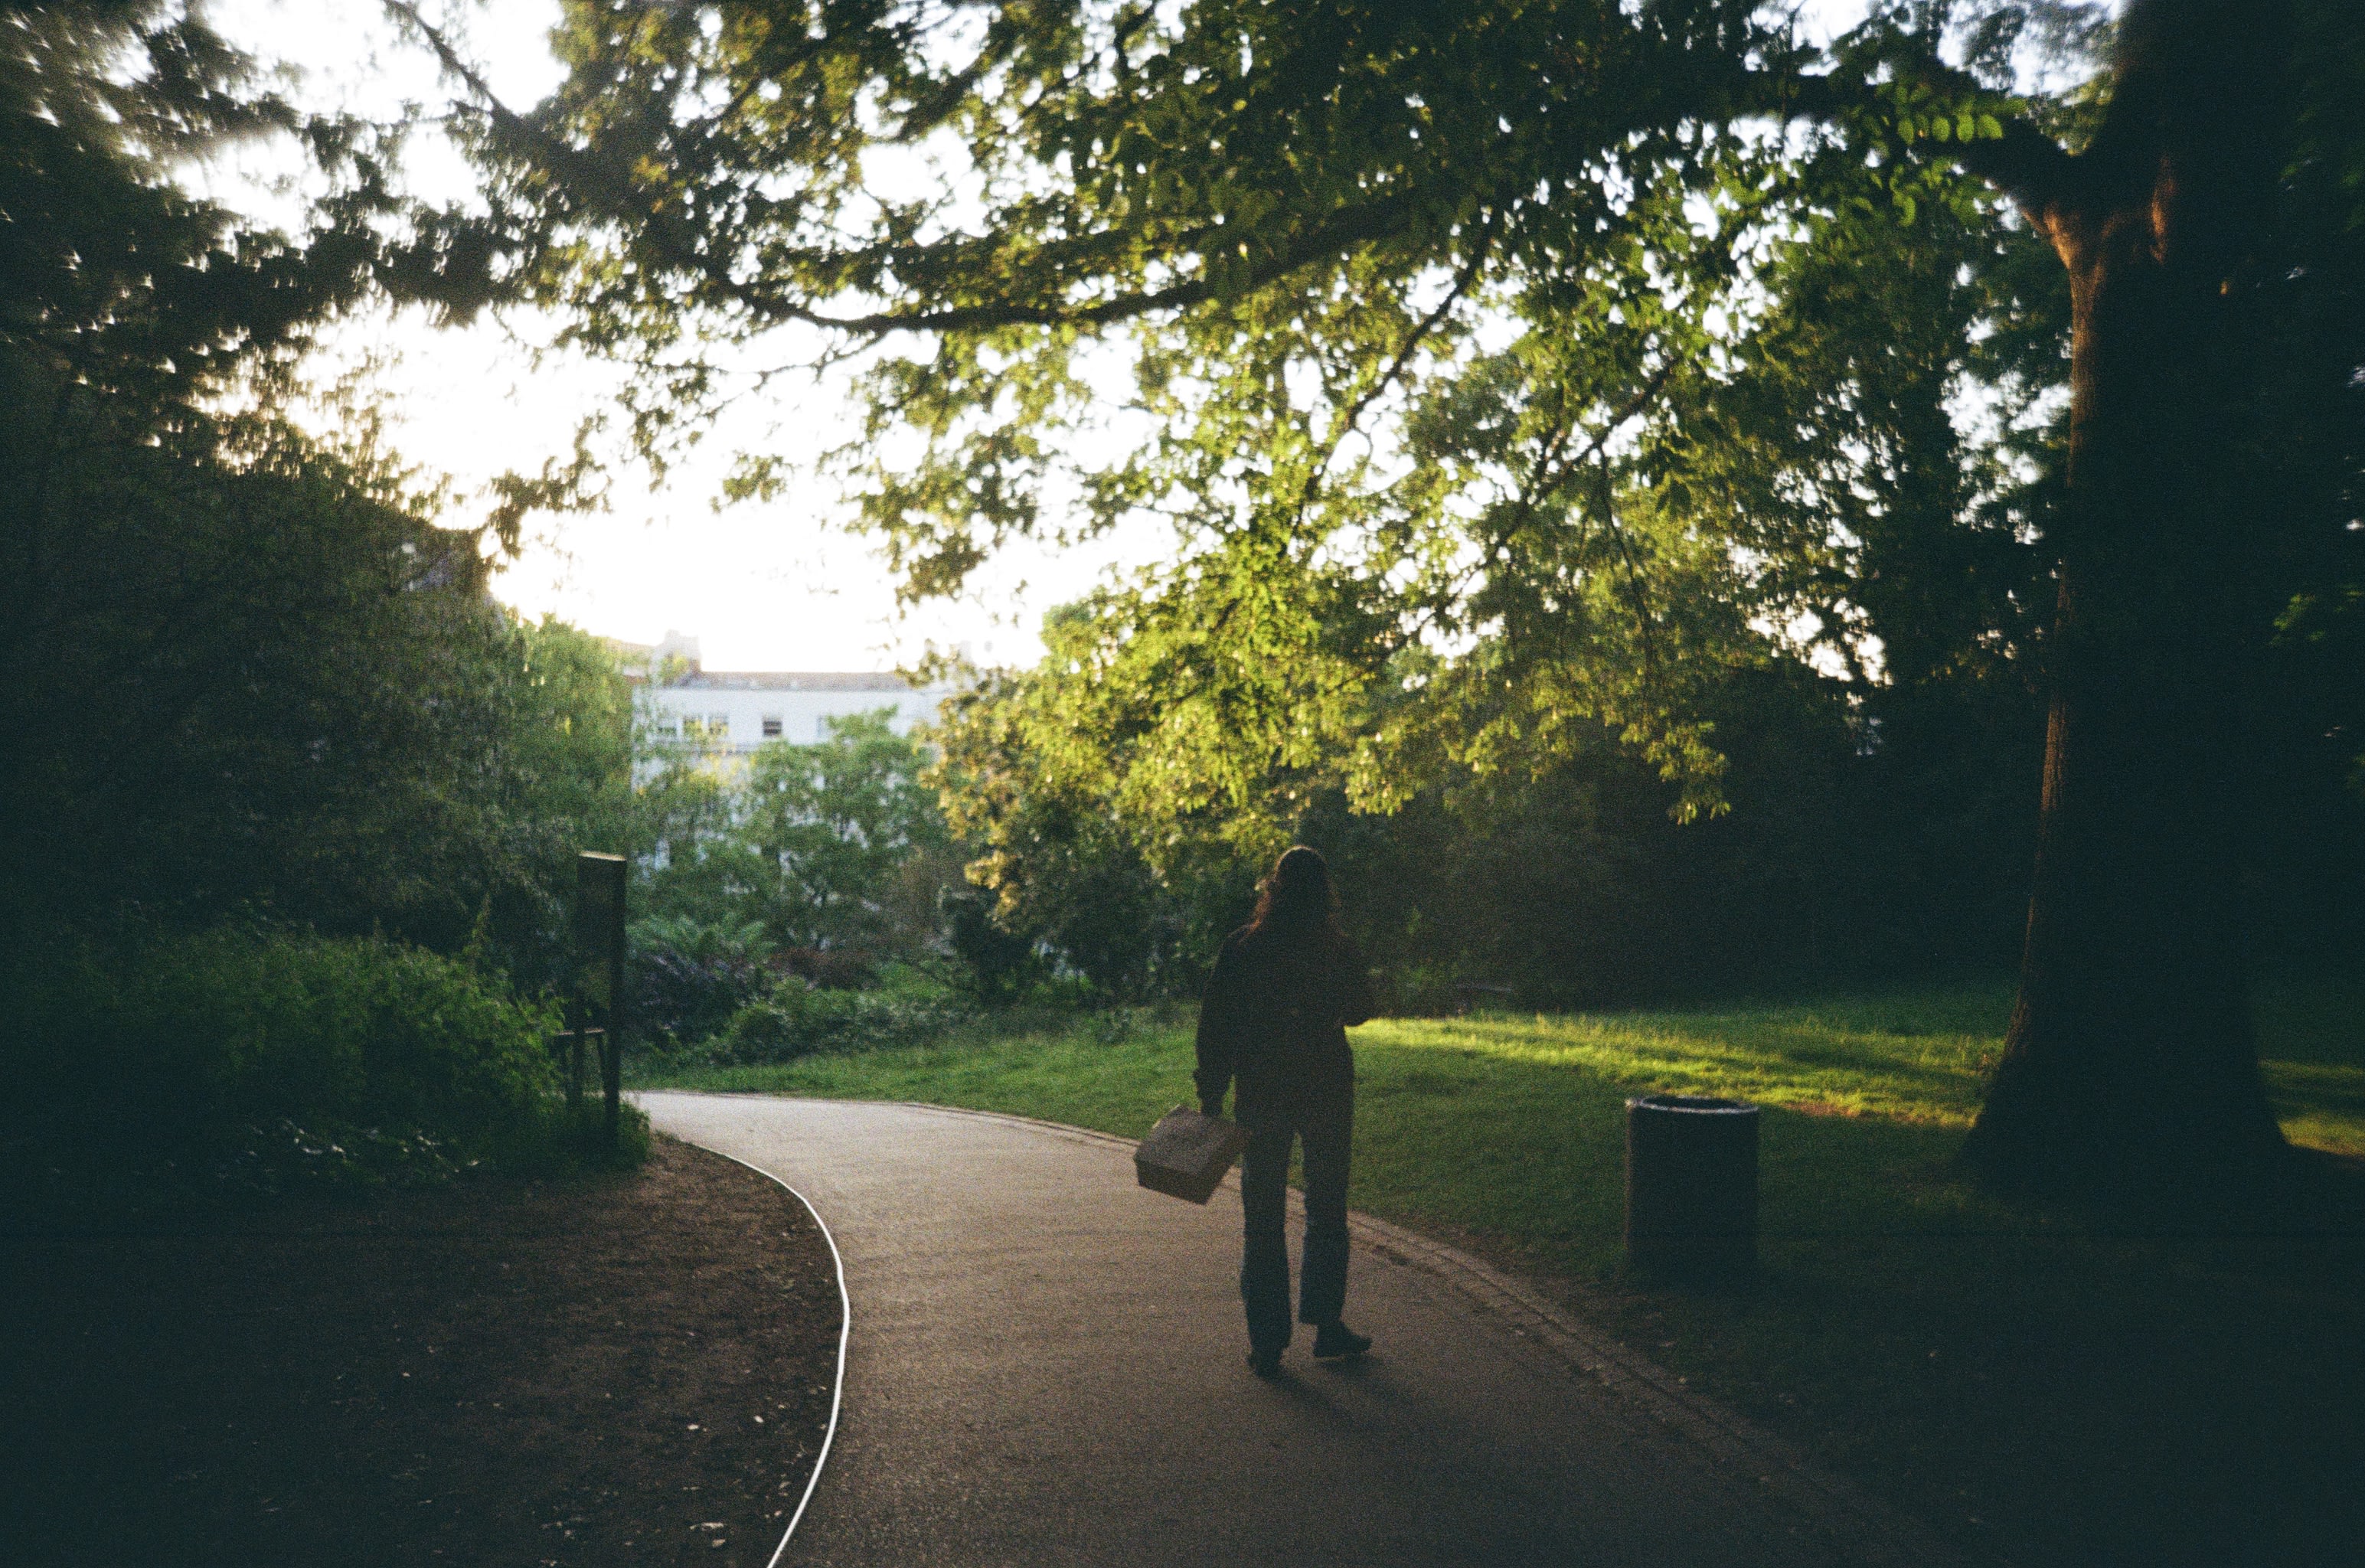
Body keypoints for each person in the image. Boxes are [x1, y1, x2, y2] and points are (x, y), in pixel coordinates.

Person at [1194, 844, 1375, 1377]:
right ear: (1324, 894)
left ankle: (1267, 1342)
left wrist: (1211, 1091)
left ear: (1273, 888)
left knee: (1263, 1218)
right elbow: (1363, 1010)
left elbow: (1216, 1023)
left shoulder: (1244, 947)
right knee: (1325, 1208)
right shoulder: (1335, 948)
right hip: (1325, 1086)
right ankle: (1324, 1324)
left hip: (1262, 1089)